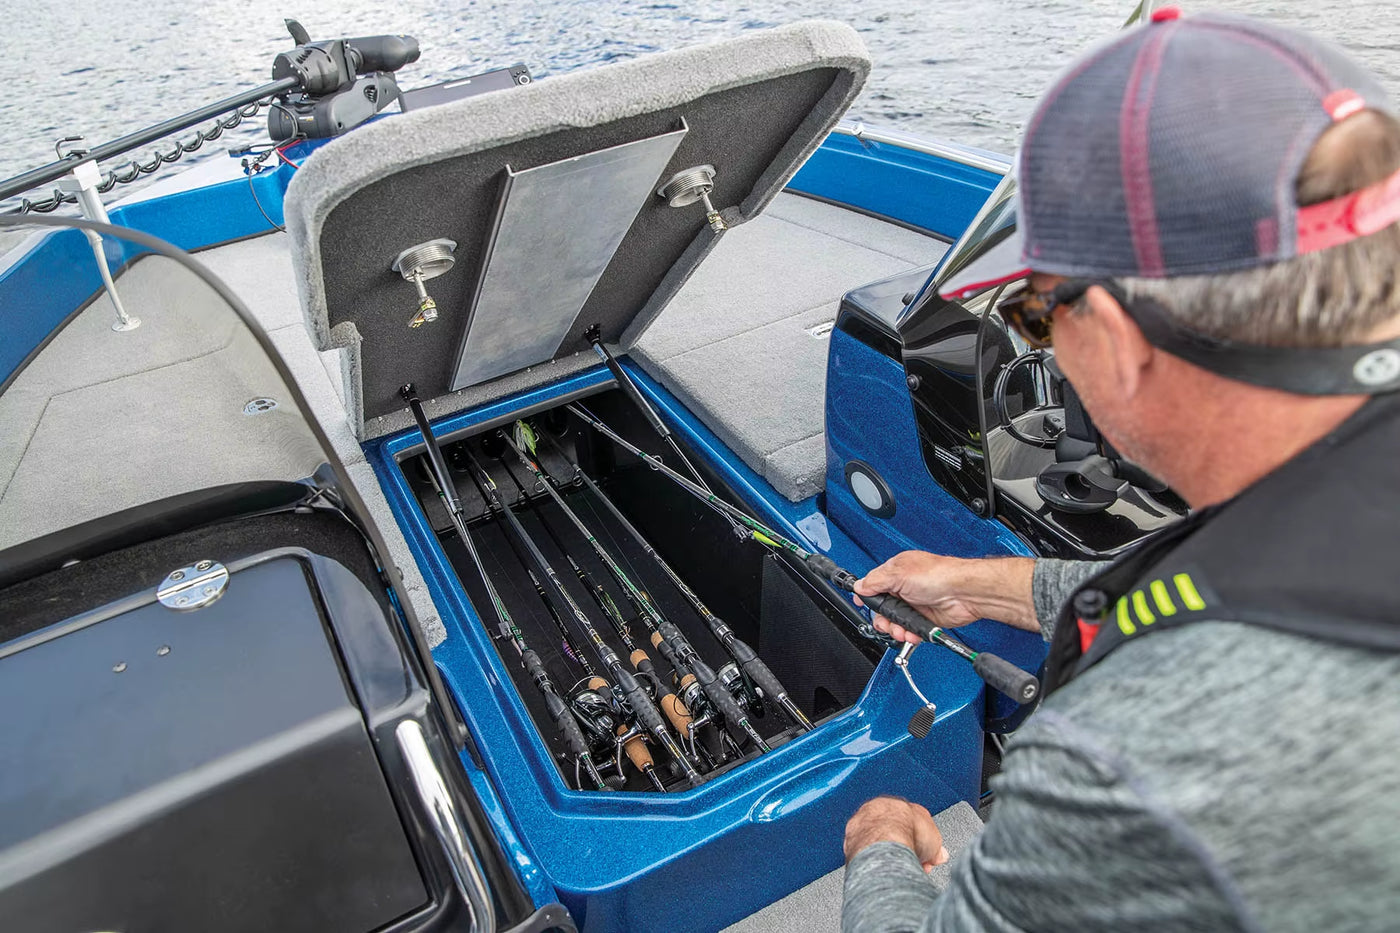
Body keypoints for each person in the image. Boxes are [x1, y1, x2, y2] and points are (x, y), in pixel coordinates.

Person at [840, 8, 1400, 932]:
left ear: (1118, 335)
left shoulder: (1138, 758)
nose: (1042, 346)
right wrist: (975, 586)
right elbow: (1233, 577)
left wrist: (881, 846)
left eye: (1035, 316)